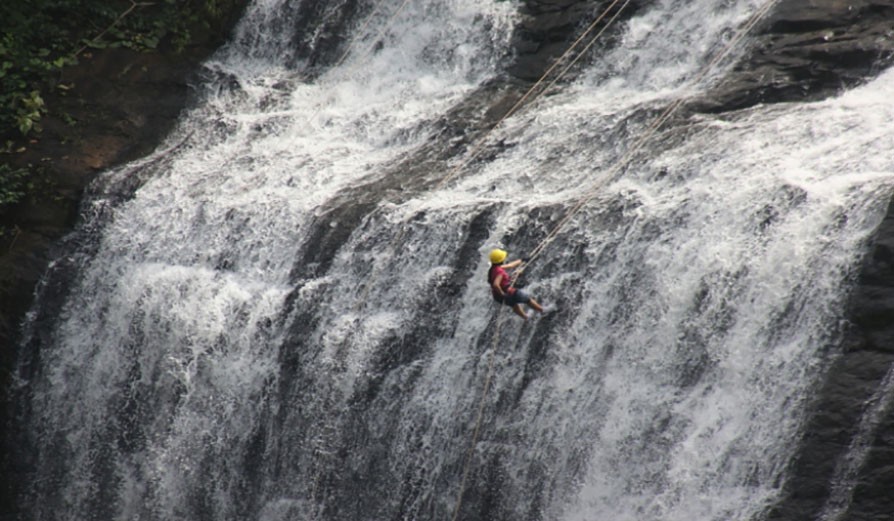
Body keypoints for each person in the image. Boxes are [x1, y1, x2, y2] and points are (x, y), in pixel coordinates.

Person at [487, 248, 544, 320]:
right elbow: (496, 285)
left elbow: (510, 265)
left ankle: (526, 317)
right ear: (501, 260)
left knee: (513, 304)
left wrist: (522, 260)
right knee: (527, 299)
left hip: (497, 296)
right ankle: (542, 310)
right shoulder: (500, 272)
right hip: (507, 292)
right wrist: (503, 294)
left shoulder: (493, 268)